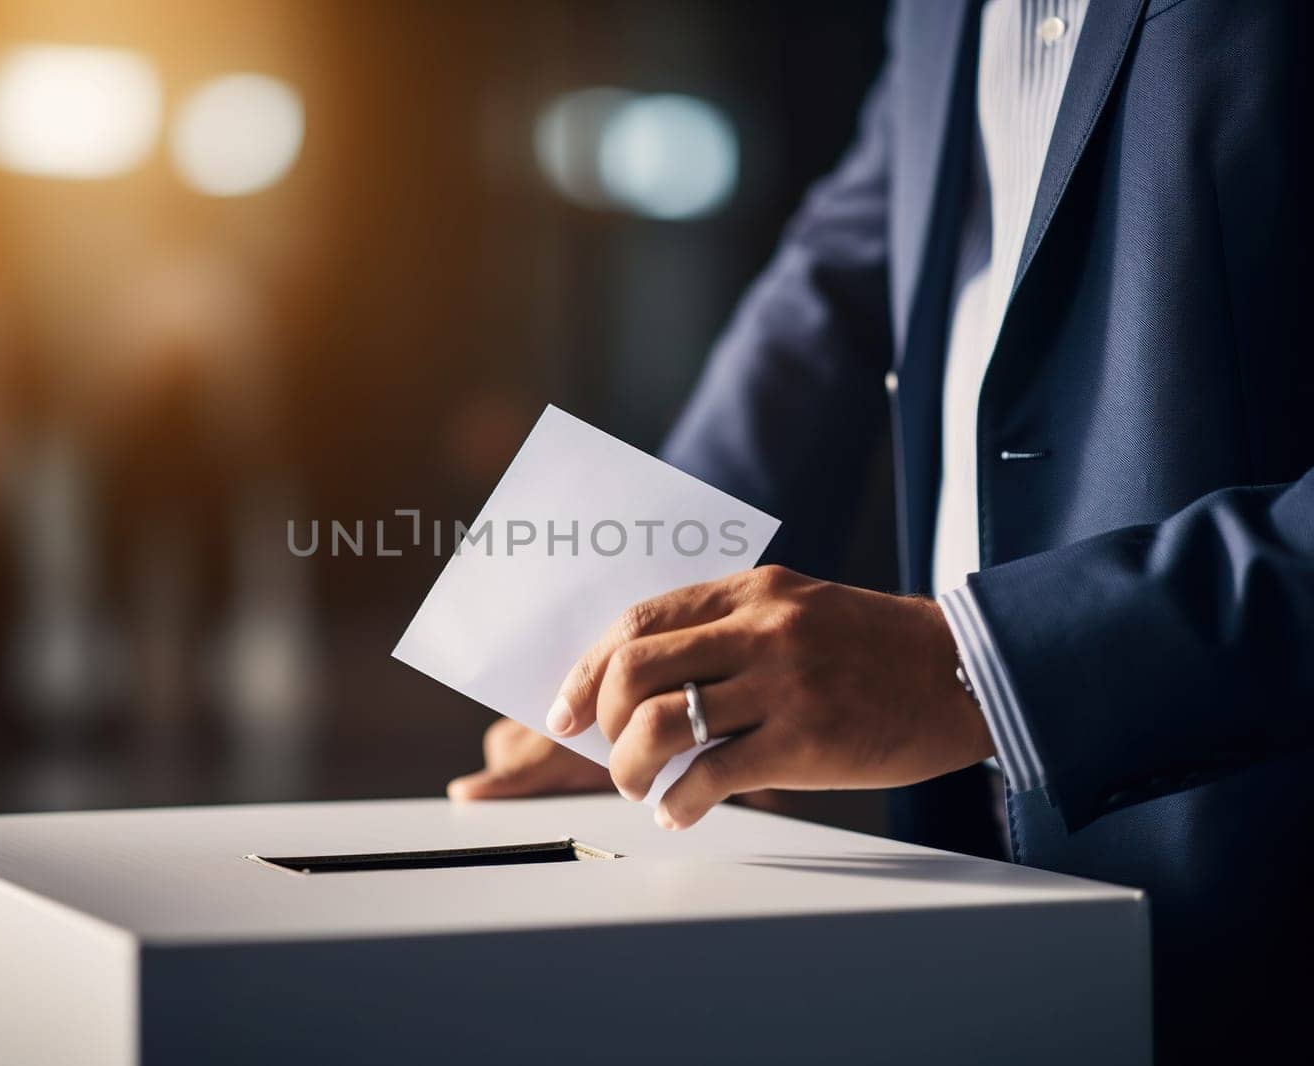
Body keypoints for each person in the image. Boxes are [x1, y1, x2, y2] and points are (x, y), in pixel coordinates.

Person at [448, 1, 1313, 1061]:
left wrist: (980, 666)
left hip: (1258, 853)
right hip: (954, 846)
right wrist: (621, 645)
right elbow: (839, 275)